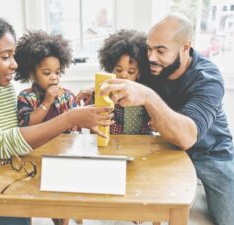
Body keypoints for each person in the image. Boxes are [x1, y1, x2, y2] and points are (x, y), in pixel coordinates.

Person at [0, 12, 113, 225]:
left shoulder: (5, 91)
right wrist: (69, 118)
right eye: (5, 56)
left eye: (13, 55)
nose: (15, 65)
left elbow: (22, 135)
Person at [99, 13, 234, 225]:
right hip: (166, 148)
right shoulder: (153, 66)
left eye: (161, 50)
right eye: (149, 48)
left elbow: (187, 137)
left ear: (185, 47)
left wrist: (148, 96)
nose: (151, 57)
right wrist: (98, 89)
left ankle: (207, 194)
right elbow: (125, 75)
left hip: (211, 154)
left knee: (227, 218)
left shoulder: (207, 78)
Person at [77, 29, 151, 135]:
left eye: (131, 71)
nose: (123, 75)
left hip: (140, 145)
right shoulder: (105, 91)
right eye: (119, 70)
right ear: (112, 68)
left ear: (139, 72)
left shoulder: (145, 93)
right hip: (111, 145)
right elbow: (94, 125)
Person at [14, 31, 77, 134]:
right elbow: (26, 127)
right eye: (47, 73)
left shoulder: (68, 96)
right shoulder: (25, 97)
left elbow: (75, 128)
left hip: (64, 147)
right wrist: (47, 102)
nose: (54, 77)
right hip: (38, 149)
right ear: (32, 75)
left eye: (57, 72)